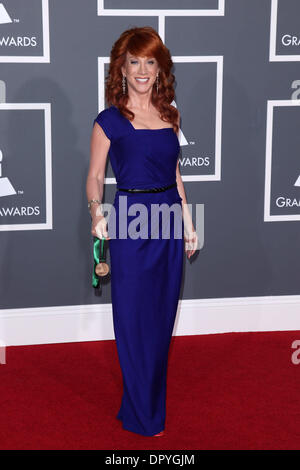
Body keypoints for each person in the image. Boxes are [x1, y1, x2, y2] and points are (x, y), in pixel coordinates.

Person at [86, 26, 198, 437]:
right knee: (133, 318)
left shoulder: (170, 113)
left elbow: (176, 174)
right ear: (121, 68)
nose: (142, 70)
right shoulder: (109, 121)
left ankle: (142, 400)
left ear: (160, 67)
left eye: (150, 61)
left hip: (167, 218)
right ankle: (142, 413)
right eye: (134, 61)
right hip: (131, 220)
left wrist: (187, 223)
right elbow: (95, 177)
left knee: (160, 316)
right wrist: (97, 212)